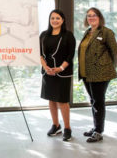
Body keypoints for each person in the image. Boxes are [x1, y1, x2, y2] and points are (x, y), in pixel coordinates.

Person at [78, 7, 117, 143]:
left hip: (101, 73)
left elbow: (115, 52)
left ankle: (98, 131)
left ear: (100, 17)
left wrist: (108, 67)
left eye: (94, 15)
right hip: (86, 72)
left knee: (98, 102)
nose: (91, 17)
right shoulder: (87, 32)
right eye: (89, 15)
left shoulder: (106, 32)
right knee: (93, 101)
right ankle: (96, 127)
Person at [40, 9, 76, 141]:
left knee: (62, 101)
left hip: (63, 72)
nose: (54, 20)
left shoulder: (68, 35)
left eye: (57, 18)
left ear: (63, 20)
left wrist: (60, 68)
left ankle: (67, 128)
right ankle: (56, 125)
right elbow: (39, 54)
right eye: (52, 18)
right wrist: (46, 67)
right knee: (51, 99)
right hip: (47, 72)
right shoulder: (43, 35)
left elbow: (70, 55)